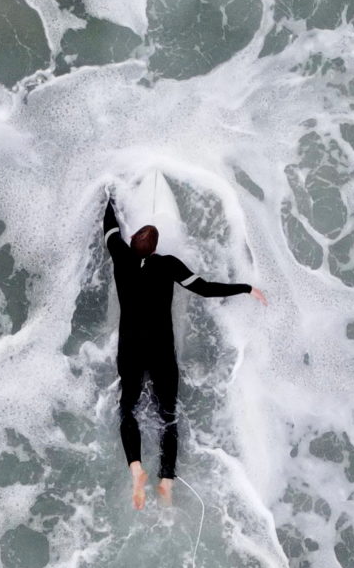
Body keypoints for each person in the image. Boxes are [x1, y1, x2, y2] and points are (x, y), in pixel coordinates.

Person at [102, 197, 264, 508]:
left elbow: (109, 229)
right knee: (168, 415)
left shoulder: (120, 256)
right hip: (161, 350)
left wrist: (109, 196)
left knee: (128, 409)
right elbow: (204, 287)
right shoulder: (168, 265)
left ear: (132, 243)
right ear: (155, 248)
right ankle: (166, 481)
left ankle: (135, 468)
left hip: (131, 348)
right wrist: (245, 288)